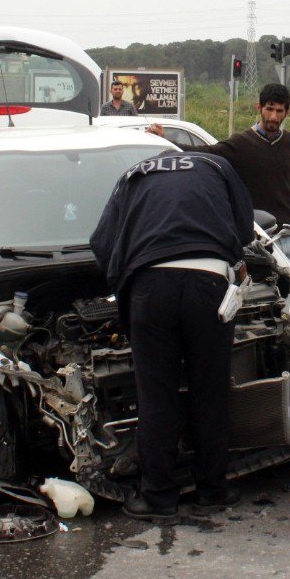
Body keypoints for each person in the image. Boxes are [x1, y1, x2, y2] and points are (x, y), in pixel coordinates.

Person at [90, 150, 255, 522]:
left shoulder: (134, 175)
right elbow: (244, 230)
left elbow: (103, 244)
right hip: (210, 282)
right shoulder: (217, 166)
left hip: (151, 287)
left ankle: (158, 497)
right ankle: (214, 490)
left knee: (156, 393)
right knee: (210, 391)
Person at [149, 83, 290, 272]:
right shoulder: (241, 143)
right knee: (263, 298)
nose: (273, 116)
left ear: (287, 112)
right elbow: (205, 152)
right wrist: (165, 140)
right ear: (259, 108)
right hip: (259, 240)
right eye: (269, 109)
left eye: (279, 111)